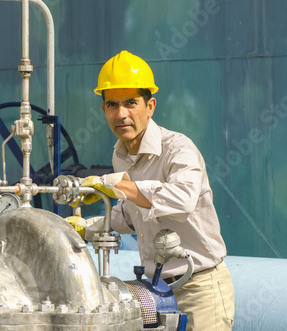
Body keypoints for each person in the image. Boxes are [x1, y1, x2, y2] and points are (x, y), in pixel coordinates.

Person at [81, 50, 235, 330]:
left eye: (131, 103)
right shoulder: (121, 155)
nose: (122, 114)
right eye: (113, 105)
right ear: (103, 110)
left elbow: (182, 200)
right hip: (156, 291)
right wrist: (83, 227)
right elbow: (128, 217)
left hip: (199, 288)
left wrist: (120, 186)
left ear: (150, 106)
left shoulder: (178, 149)